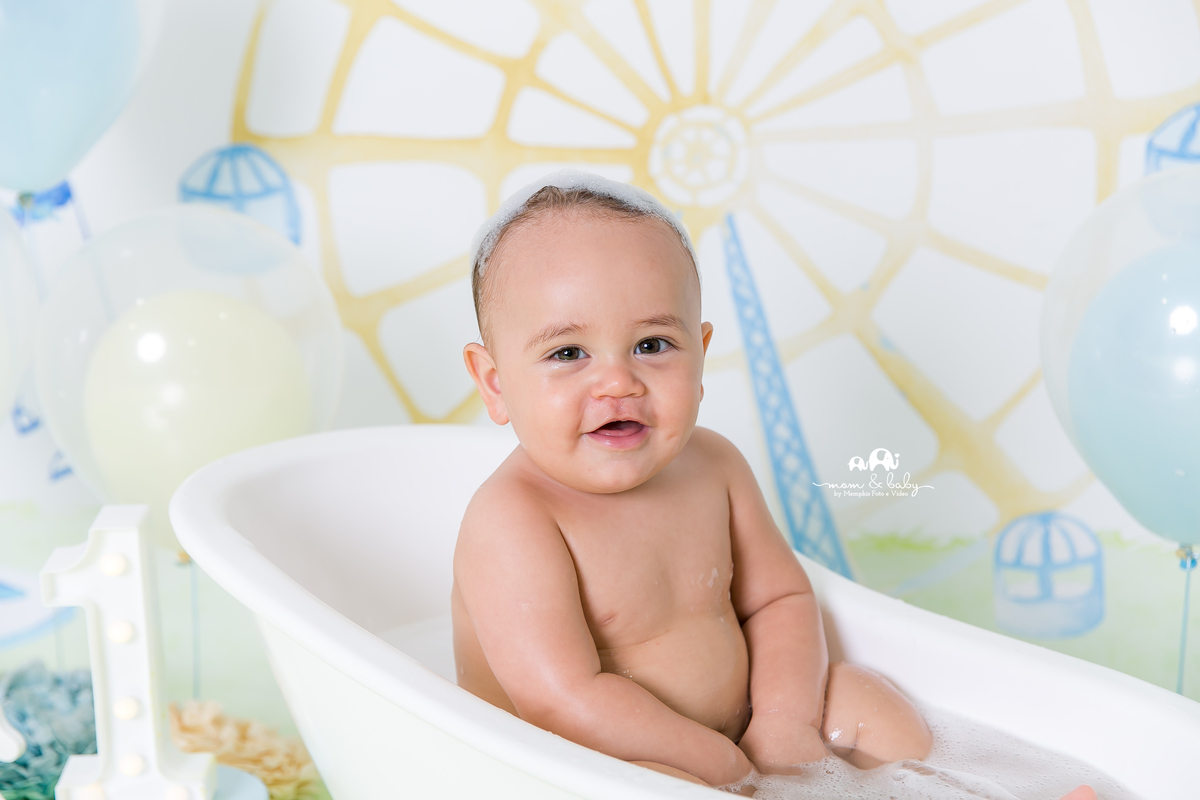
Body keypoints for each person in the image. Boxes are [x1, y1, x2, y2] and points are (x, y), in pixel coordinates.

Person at [450, 171, 1095, 800]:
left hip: (746, 736)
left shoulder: (713, 466)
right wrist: (721, 767)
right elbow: (562, 700)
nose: (618, 383)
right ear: (495, 382)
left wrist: (784, 724)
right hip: (589, 767)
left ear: (701, 355)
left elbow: (779, 598)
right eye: (568, 354)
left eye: (652, 344)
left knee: (866, 700)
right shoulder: (514, 520)